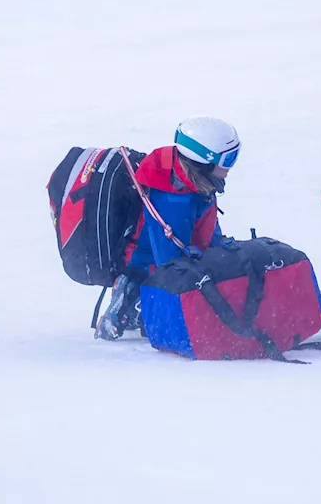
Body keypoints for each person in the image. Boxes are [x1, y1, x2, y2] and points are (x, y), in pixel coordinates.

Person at [94, 116, 241, 340]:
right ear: (205, 161)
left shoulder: (196, 181)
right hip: (147, 266)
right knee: (167, 292)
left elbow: (207, 229)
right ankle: (130, 299)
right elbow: (170, 264)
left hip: (168, 257)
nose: (232, 166)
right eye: (229, 159)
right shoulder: (174, 198)